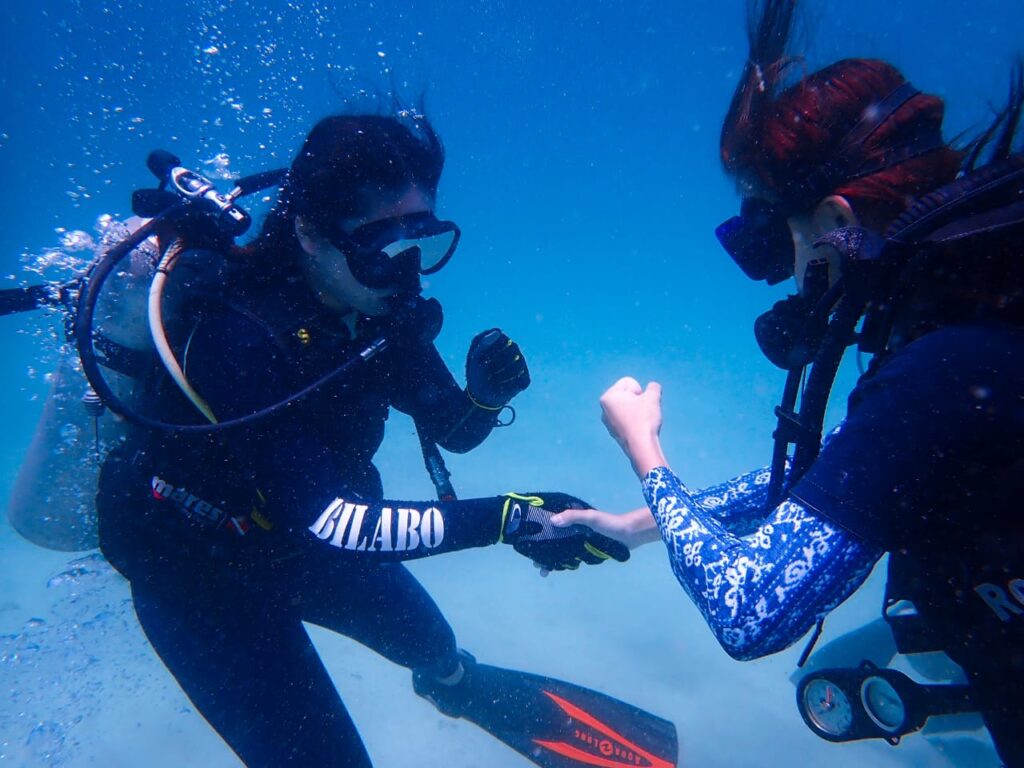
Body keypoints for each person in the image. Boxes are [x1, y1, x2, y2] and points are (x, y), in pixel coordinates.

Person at [79, 112, 681, 768]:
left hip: (294, 541)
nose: (405, 270)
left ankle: (458, 686)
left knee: (434, 645)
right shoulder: (239, 338)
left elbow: (453, 431)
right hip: (197, 570)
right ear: (309, 234)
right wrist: (509, 517)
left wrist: (483, 398)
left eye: (420, 239)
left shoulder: (375, 308)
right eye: (381, 245)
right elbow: (336, 522)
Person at [552, 1, 1024, 764]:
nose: (780, 275)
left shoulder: (943, 367)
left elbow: (750, 612)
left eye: (780, 239)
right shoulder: (973, 331)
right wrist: (637, 525)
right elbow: (840, 470)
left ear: (835, 217)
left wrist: (645, 453)